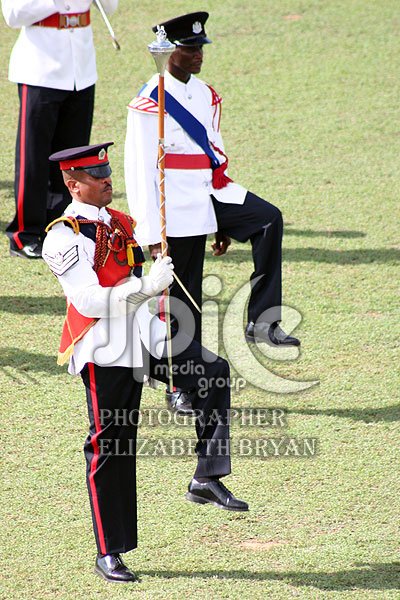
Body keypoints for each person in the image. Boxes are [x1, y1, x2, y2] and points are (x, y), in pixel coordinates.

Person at [42, 142, 248, 583]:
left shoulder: (120, 222)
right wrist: (148, 287)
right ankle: (109, 551)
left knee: (212, 372)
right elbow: (89, 300)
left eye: (107, 172)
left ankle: (206, 476)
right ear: (73, 184)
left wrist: (155, 268)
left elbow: (132, 270)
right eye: (96, 176)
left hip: (145, 334)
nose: (107, 180)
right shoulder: (62, 237)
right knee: (112, 444)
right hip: (106, 347)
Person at [124, 11, 301, 411]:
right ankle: (180, 387)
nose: (198, 55)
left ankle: (262, 321)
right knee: (183, 301)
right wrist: (151, 235)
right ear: (169, 52)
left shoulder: (206, 94)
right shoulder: (149, 101)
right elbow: (138, 171)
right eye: (189, 49)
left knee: (267, 218)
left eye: (200, 48)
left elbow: (212, 152)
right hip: (173, 206)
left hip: (209, 192)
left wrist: (220, 220)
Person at [2, 0, 118, 259]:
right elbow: (12, 15)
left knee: (72, 159)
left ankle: (62, 225)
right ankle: (25, 234)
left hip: (81, 69)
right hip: (40, 69)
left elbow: (109, 7)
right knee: (33, 158)